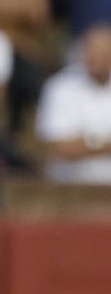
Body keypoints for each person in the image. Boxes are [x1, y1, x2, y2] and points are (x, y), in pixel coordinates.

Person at [36, 23, 111, 184]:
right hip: (70, 190)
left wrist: (85, 143)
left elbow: (73, 146)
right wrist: (103, 144)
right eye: (90, 51)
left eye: (102, 52)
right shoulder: (60, 87)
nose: (94, 57)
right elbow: (58, 148)